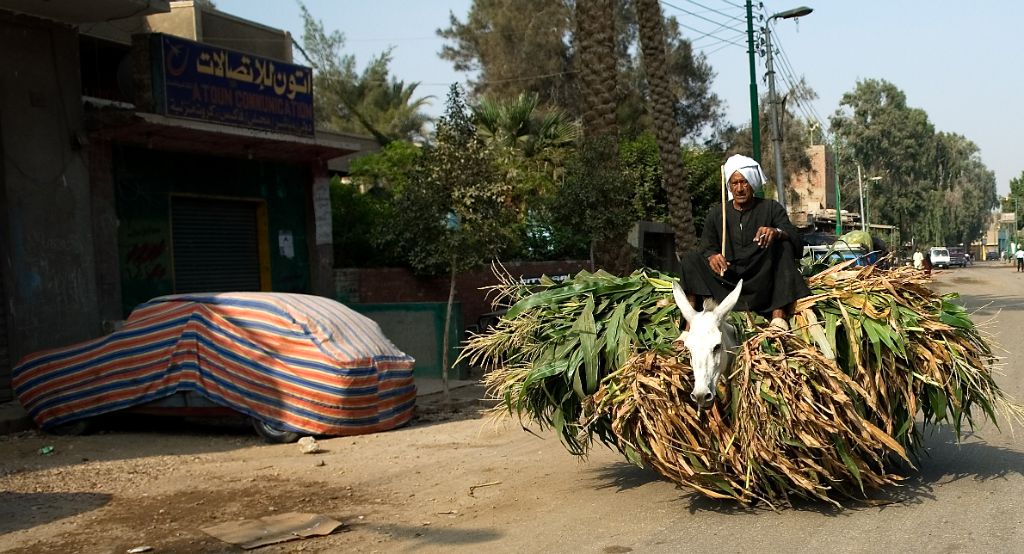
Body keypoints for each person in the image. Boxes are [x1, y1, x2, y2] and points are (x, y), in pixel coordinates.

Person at [677, 154, 811, 331]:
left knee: (782, 245)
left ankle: (778, 317)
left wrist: (776, 232)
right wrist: (712, 256)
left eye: (744, 182)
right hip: (727, 281)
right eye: (735, 183)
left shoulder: (771, 208)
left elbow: (796, 241)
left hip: (761, 281)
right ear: (729, 187)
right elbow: (706, 246)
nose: (739, 188)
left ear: (752, 184)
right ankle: (689, 327)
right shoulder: (717, 213)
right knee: (691, 259)